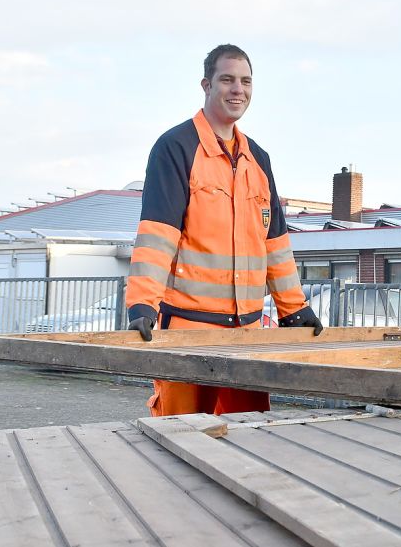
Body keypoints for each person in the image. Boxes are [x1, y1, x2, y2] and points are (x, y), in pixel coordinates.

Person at [126, 44, 322, 417]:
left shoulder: (258, 160)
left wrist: (294, 309)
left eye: (246, 81)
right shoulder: (175, 148)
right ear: (206, 85)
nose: (238, 89)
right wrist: (142, 304)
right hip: (187, 331)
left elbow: (275, 245)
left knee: (250, 439)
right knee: (178, 441)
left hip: (247, 333)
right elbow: (157, 236)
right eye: (227, 79)